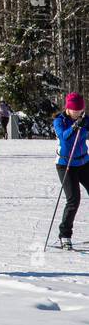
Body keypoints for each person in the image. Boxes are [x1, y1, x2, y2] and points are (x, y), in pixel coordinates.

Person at [53, 92, 89, 249]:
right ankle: (65, 235)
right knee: (74, 199)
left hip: (84, 162)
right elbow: (64, 137)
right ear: (68, 108)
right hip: (65, 164)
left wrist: (83, 123)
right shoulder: (59, 121)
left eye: (81, 110)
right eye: (76, 111)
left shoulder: (85, 119)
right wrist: (75, 127)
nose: (78, 113)